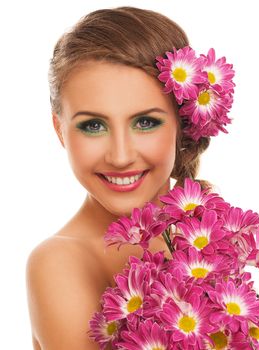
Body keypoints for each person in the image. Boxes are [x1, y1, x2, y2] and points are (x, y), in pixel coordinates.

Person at [26, 6, 211, 350]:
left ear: (183, 123)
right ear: (60, 130)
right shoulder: (58, 264)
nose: (121, 156)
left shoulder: (206, 236)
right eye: (93, 126)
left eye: (145, 122)